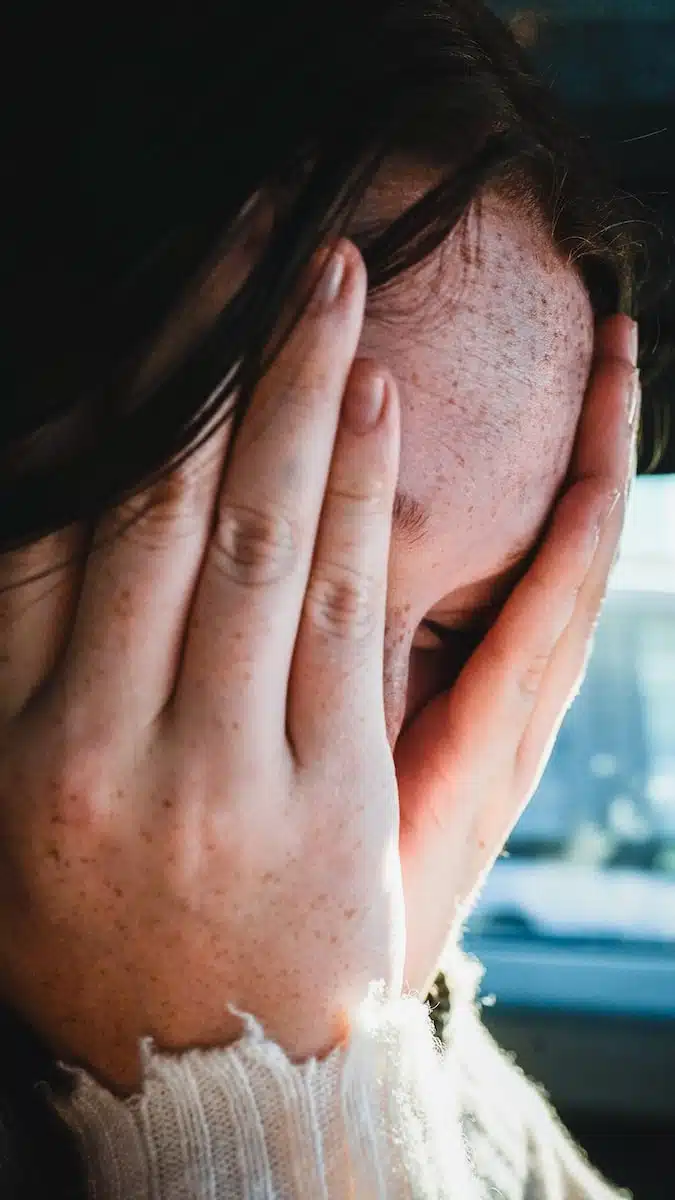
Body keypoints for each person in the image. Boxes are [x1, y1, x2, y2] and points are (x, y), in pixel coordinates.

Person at [0, 2, 652, 1196]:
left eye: (461, 636)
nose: (353, 766)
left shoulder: (403, 976)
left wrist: (356, 1037)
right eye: (294, 559)